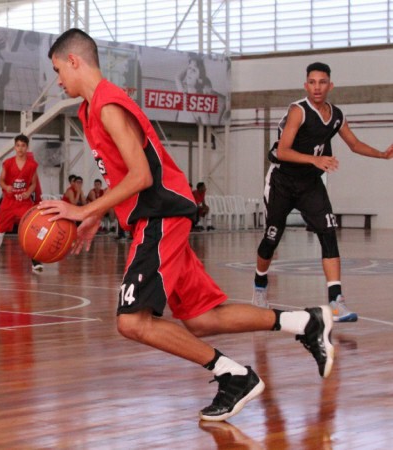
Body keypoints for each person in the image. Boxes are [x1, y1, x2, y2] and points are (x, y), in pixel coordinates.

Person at [41, 28, 335, 422]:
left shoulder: (108, 106)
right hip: (160, 216)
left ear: (74, 60)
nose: (58, 80)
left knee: (132, 321)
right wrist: (96, 215)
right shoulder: (90, 109)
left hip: (160, 216)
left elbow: (142, 176)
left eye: (59, 69)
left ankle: (235, 376)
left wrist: (80, 210)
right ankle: (307, 322)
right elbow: (123, 174)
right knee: (200, 318)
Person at [252, 62, 393, 321]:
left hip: (310, 184)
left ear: (330, 85)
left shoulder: (336, 115)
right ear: (306, 85)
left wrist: (382, 155)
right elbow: (282, 151)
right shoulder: (298, 111)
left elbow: (354, 143)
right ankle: (260, 284)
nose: (317, 87)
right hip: (282, 181)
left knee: (328, 234)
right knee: (271, 239)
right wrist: (314, 159)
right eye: (313, 82)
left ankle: (336, 302)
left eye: (322, 82)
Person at [0, 134, 43, 272]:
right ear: (14, 147)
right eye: (18, 145)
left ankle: (34, 258)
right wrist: (6, 187)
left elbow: (33, 183)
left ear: (26, 147)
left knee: (31, 228)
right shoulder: (8, 163)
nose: (20, 148)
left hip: (24, 202)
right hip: (9, 202)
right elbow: (1, 181)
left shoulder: (32, 165)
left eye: (23, 146)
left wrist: (28, 192)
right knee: (0, 229)